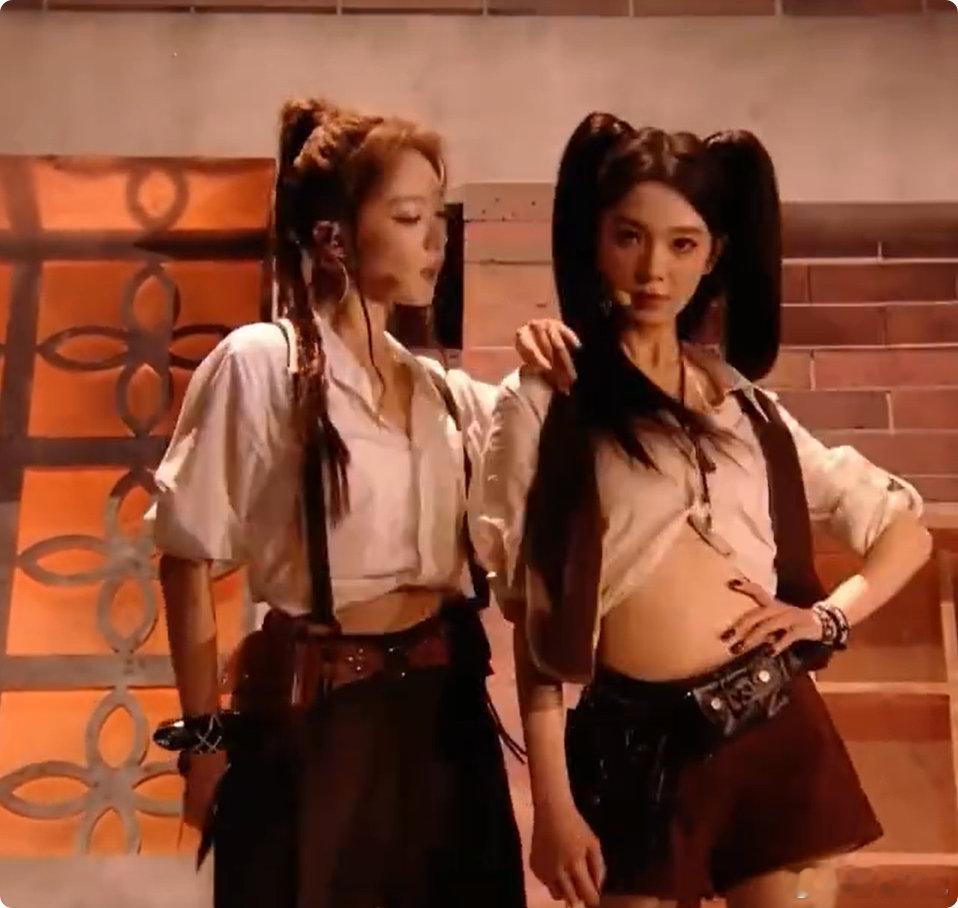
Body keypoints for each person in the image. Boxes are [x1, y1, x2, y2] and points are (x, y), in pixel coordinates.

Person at [472, 112, 933, 908]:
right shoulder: (547, 396)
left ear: (714, 254)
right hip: (635, 748)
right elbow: (534, 620)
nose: (654, 269)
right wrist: (552, 804)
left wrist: (825, 618)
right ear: (595, 240)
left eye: (682, 244)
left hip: (774, 723)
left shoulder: (745, 406)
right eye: (630, 237)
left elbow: (903, 530)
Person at [149, 96, 579, 908]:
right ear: (333, 237)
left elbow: (533, 490)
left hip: (445, 718)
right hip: (322, 721)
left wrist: (543, 368)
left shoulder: (442, 392)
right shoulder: (261, 365)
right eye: (410, 217)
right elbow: (186, 555)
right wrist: (203, 741)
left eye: (438, 217)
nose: (434, 240)